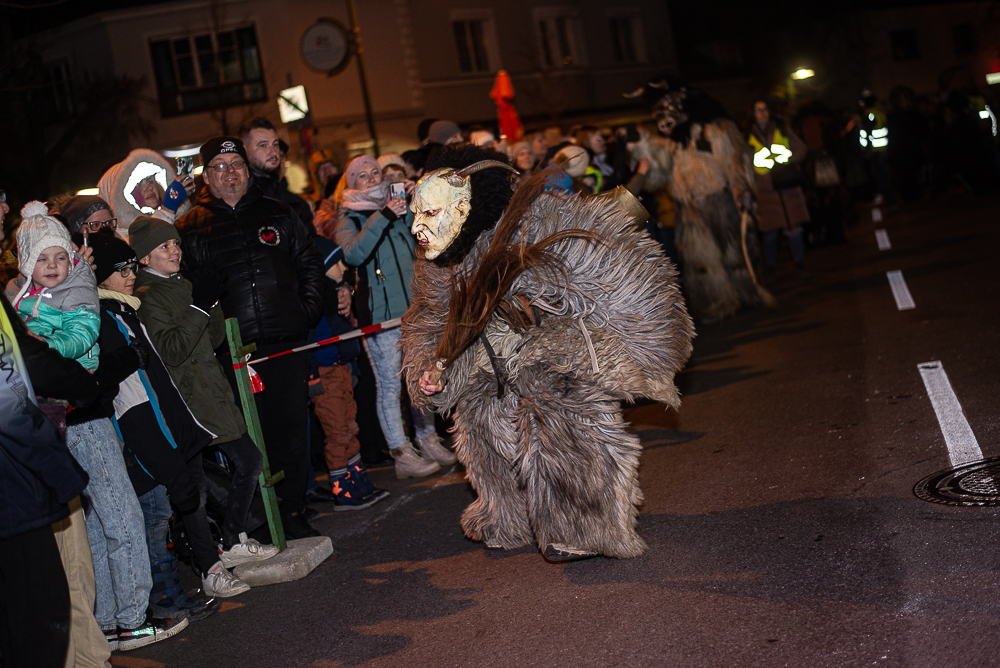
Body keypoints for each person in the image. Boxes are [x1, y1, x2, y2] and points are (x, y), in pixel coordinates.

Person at [399, 145, 694, 562]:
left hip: (556, 350)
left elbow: (617, 272)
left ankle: (585, 526)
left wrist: (542, 304)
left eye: (430, 212)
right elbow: (429, 317)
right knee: (480, 420)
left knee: (553, 410)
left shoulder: (543, 219)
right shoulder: (437, 260)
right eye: (416, 213)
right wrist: (431, 368)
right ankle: (508, 514)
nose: (418, 226)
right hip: (487, 359)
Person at [6, 203, 183, 650]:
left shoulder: (78, 293)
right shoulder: (21, 300)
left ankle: (124, 615)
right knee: (102, 522)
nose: (53, 266)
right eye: (42, 259)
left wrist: (42, 346)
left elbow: (82, 336)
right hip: (60, 421)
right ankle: (120, 620)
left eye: (60, 257)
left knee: (114, 516)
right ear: (27, 264)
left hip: (83, 415)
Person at [175, 136, 325, 539]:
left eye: (237, 164)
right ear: (206, 176)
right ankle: (259, 521)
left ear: (247, 170)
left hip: (284, 342)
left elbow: (309, 263)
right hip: (230, 353)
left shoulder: (280, 212)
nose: (230, 173)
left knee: (290, 432)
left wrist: (305, 312)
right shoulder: (188, 228)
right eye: (220, 166)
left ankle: (292, 511)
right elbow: (184, 291)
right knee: (245, 439)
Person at [0, 204, 100, 668]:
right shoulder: (14, 297)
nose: (4, 208)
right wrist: (61, 473)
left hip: (33, 447)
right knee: (44, 603)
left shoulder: (64, 296)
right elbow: (13, 389)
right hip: (19, 474)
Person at [334, 155, 455, 478]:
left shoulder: (400, 205)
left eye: (375, 172)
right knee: (389, 384)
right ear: (351, 183)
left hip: (415, 311)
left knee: (422, 379)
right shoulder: (349, 216)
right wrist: (383, 215)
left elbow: (428, 235)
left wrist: (418, 201)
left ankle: (427, 438)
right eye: (363, 175)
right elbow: (352, 254)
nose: (372, 178)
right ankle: (401, 452)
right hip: (381, 317)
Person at [627, 76, 774, 322]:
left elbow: (735, 165)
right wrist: (642, 148)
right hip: (689, 209)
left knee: (734, 253)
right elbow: (655, 179)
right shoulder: (672, 144)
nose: (663, 120)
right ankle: (719, 302)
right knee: (702, 260)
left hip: (720, 202)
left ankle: (748, 294)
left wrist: (742, 193)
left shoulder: (714, 131)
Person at [309, 237, 390, 509]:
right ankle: (341, 488)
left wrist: (352, 367)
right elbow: (307, 341)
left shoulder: (337, 295)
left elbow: (345, 336)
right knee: (337, 432)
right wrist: (313, 376)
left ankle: (357, 478)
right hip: (326, 374)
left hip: (342, 369)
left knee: (350, 428)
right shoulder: (316, 301)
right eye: (337, 263)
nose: (344, 268)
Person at [747, 100, 809, 276]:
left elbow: (801, 149)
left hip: (787, 186)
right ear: (752, 113)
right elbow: (743, 163)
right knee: (770, 233)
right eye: (758, 110)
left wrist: (786, 160)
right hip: (765, 191)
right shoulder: (747, 136)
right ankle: (771, 269)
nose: (762, 113)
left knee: (794, 230)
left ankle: (800, 265)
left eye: (764, 109)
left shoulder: (781, 129)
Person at [242, 118, 316, 231]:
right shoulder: (238, 202)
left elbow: (311, 239)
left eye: (275, 144)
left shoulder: (294, 202)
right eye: (263, 145)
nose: (273, 151)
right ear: (245, 151)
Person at [97, 149, 194, 232]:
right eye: (138, 185)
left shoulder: (179, 220)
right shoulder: (122, 236)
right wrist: (168, 209)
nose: (149, 188)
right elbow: (151, 241)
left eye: (150, 181)